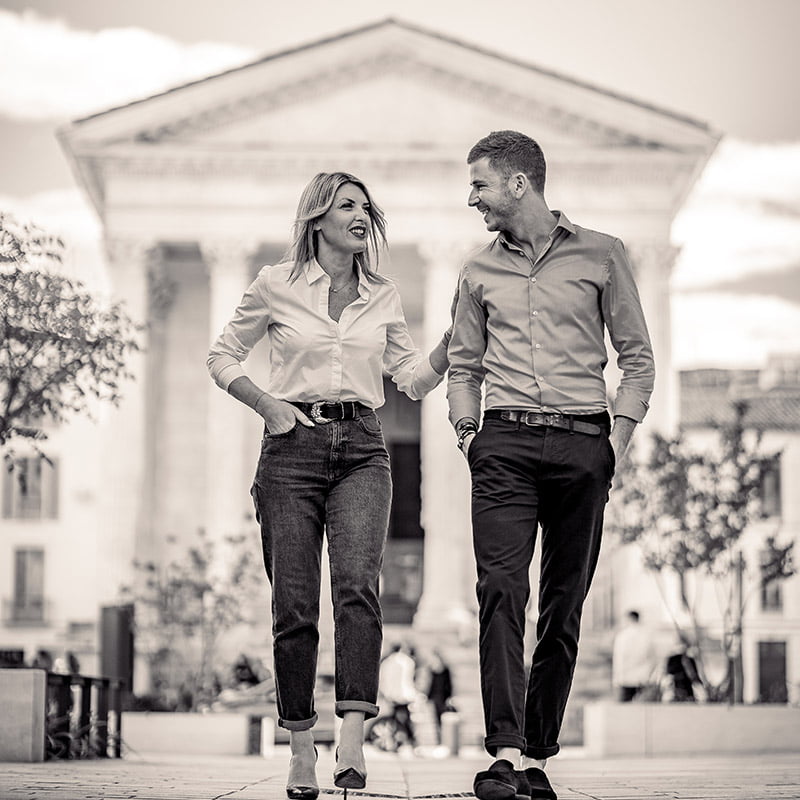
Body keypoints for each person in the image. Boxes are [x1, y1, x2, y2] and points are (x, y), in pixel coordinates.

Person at [207, 171, 449, 799]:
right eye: (347, 205)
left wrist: (452, 344)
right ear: (317, 218)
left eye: (366, 206)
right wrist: (268, 404)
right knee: (293, 605)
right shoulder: (275, 284)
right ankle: (298, 749)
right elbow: (221, 357)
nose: (361, 214)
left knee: (357, 592)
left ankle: (350, 738)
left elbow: (413, 381)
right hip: (291, 449)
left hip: (365, 448)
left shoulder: (383, 295)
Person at [447, 130, 655, 800]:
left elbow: (637, 358)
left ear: (518, 183)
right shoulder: (477, 270)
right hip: (503, 446)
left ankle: (538, 757)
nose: (471, 197)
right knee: (501, 592)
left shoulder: (603, 254)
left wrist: (613, 442)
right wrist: (467, 431)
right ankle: (504, 752)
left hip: (582, 446)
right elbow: (463, 366)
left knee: (564, 607)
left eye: (479, 183)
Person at [378, 642, 418, 749]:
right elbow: (409, 679)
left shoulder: (386, 662)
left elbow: (383, 681)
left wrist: (386, 694)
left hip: (392, 696)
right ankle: (409, 741)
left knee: (396, 720)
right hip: (404, 696)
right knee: (404, 720)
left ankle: (397, 741)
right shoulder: (407, 661)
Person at [612, 610, 657, 702]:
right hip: (643, 678)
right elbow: (652, 658)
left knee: (624, 709)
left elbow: (619, 659)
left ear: (629, 619)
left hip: (626, 678)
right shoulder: (647, 636)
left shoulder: (622, 637)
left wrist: (616, 678)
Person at [425, 649, 454, 743]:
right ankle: (439, 740)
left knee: (442, 720)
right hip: (435, 697)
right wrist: (428, 697)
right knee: (436, 720)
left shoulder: (445, 670)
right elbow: (431, 685)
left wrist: (449, 697)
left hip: (443, 698)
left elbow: (449, 685)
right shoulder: (432, 670)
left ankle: (445, 740)